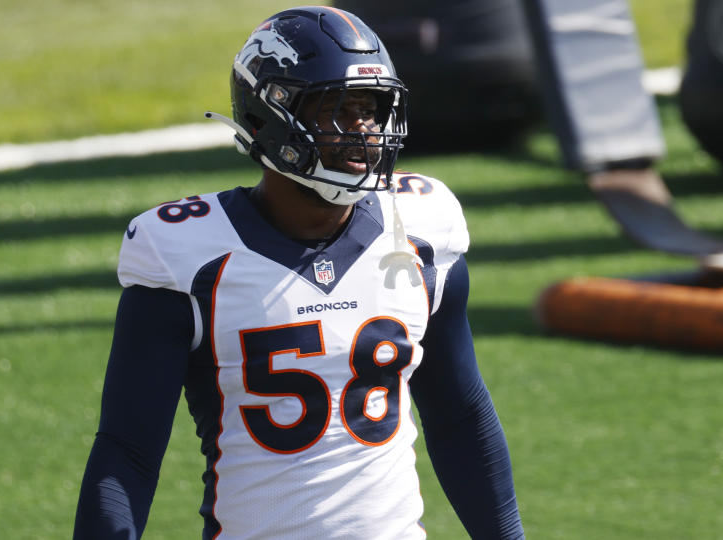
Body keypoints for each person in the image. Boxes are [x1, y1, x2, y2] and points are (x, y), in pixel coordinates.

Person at [74, 6, 524, 539]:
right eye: (340, 109)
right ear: (269, 117)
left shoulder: (422, 231)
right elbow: (127, 450)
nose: (365, 132)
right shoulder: (188, 256)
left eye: (373, 110)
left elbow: (460, 418)